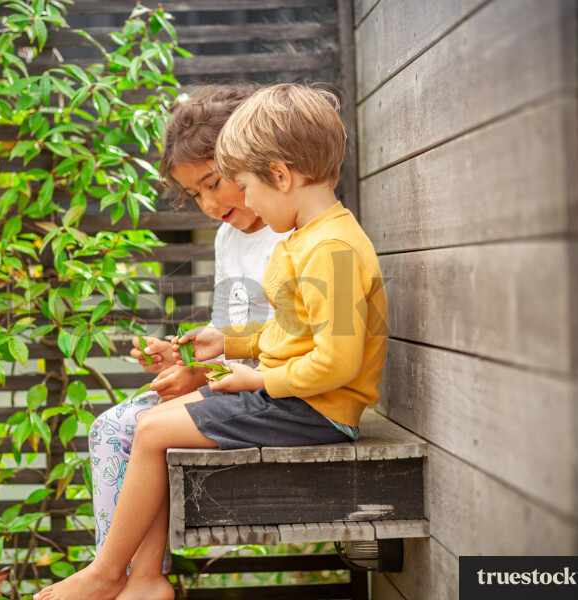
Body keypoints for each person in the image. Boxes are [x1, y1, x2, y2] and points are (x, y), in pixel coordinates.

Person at [34, 83, 388, 600]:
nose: (245, 203)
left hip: (314, 408)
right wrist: (225, 345)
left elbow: (335, 362)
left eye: (241, 186)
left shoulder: (329, 248)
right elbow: (286, 332)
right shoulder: (307, 240)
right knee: (151, 425)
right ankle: (138, 579)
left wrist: (257, 376)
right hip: (293, 397)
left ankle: (110, 573)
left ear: (280, 175)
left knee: (151, 432)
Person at [87, 85, 292, 561]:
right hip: (235, 385)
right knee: (109, 429)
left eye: (214, 182)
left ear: (254, 159)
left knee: (121, 429)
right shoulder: (227, 236)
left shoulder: (294, 236)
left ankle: (126, 578)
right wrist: (183, 360)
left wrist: (200, 376)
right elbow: (230, 337)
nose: (205, 202)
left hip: (273, 395)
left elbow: (283, 349)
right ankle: (128, 578)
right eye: (193, 192)